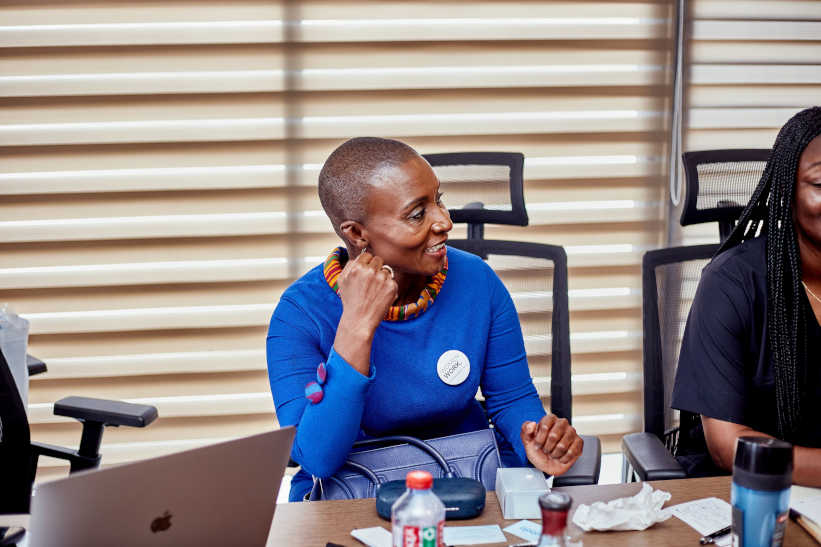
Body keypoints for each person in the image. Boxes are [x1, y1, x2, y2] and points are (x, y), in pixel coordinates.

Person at [267, 137, 583, 501]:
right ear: (356, 232)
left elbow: (512, 399)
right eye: (417, 214)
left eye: (439, 200)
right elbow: (317, 458)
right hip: (353, 496)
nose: (445, 221)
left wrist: (537, 438)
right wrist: (357, 324)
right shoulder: (299, 314)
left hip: (467, 482)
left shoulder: (477, 281)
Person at [672, 106, 821, 486]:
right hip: (740, 494)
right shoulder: (730, 283)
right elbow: (727, 446)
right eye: (820, 184)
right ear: (788, 190)